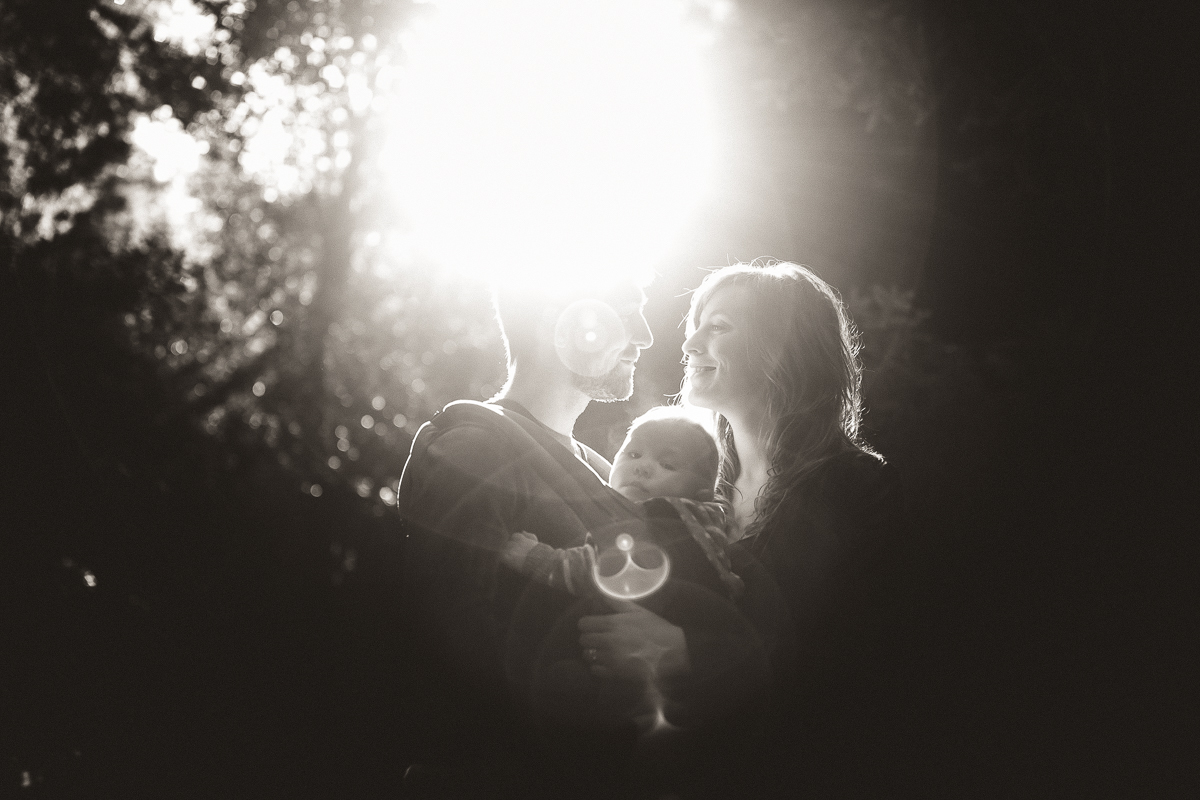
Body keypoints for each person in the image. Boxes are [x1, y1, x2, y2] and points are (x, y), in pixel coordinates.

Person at [576, 260, 906, 796]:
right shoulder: (693, 501)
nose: (688, 346)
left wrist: (687, 652)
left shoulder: (853, 487)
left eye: (719, 327)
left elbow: (860, 669)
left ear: (785, 348)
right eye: (694, 326)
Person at [499, 406, 744, 604]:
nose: (643, 467)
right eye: (634, 454)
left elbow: (601, 570)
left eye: (667, 464)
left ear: (700, 495)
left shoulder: (668, 520)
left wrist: (536, 558)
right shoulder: (706, 532)